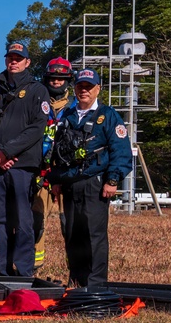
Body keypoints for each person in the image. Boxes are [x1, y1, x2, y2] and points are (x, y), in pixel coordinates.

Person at [49, 70, 132, 287]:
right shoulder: (67, 115)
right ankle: (77, 280)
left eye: (89, 86)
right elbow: (57, 151)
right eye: (80, 86)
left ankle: (95, 284)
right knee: (72, 233)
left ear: (98, 89)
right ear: (74, 88)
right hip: (69, 184)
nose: (84, 90)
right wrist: (56, 179)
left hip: (95, 183)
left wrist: (112, 180)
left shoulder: (108, 115)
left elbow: (121, 150)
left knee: (94, 235)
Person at [0, 42, 50, 277]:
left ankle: (25, 271)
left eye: (19, 58)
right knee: (1, 221)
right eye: (10, 57)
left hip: (22, 166)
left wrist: (7, 151)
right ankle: (3, 270)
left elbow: (37, 128)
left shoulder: (38, 91)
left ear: (27, 62)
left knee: (23, 221)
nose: (13, 61)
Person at [33, 58, 74, 269]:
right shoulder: (36, 103)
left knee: (70, 224)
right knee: (36, 221)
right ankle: (33, 266)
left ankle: (74, 268)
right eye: (53, 78)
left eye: (61, 78)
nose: (56, 82)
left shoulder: (77, 107)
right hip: (42, 173)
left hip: (68, 173)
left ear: (68, 80)